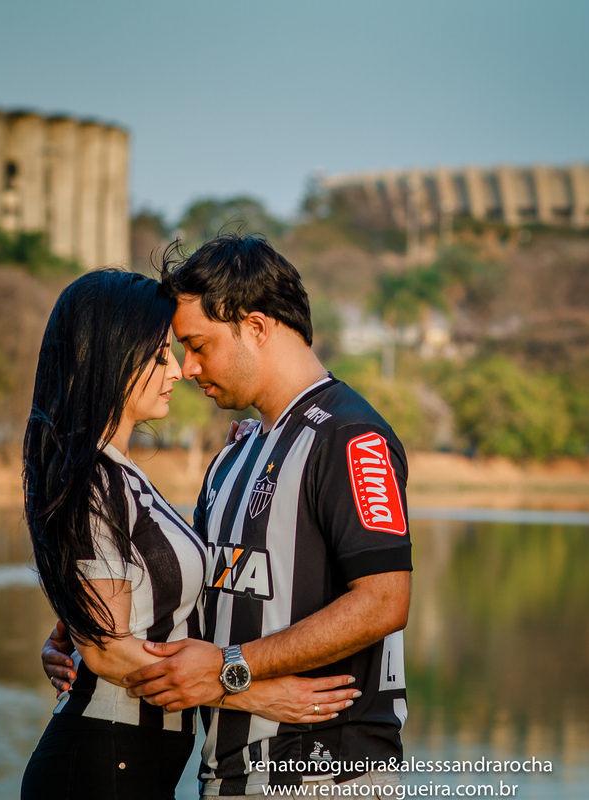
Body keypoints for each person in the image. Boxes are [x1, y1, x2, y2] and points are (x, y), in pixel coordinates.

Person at [43, 235, 412, 798]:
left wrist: (231, 668)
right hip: (226, 774)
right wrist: (88, 623)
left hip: (322, 773)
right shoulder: (233, 455)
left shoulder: (351, 437)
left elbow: (385, 600)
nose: (187, 368)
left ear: (256, 327)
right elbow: (200, 586)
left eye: (197, 345)